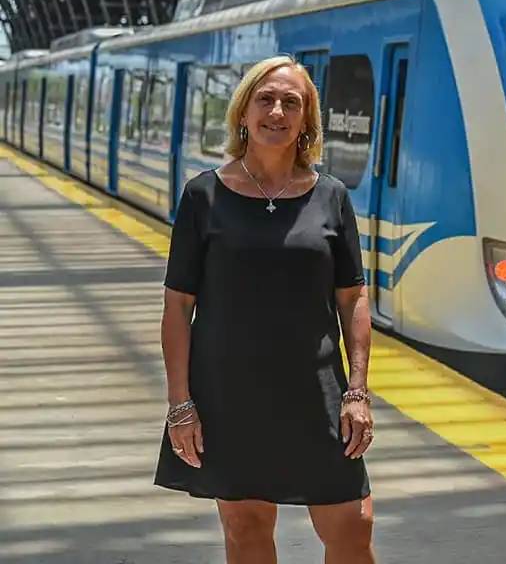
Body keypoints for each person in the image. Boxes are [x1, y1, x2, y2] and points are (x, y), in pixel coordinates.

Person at [154, 54, 377, 564]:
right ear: (243, 113)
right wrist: (180, 404)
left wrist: (358, 390)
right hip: (228, 392)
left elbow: (353, 297)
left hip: (317, 389)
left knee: (352, 524)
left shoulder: (332, 197)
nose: (277, 111)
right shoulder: (203, 196)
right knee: (247, 528)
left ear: (306, 121)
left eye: (291, 103)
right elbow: (177, 305)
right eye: (266, 99)